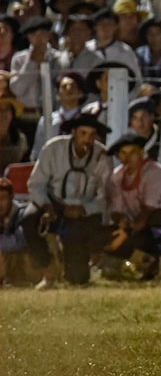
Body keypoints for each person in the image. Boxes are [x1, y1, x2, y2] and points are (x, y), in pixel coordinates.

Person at [23, 114, 113, 287]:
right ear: (74, 132)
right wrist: (47, 206)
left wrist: (84, 209)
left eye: (92, 135)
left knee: (77, 279)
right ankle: (48, 269)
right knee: (29, 219)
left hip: (83, 210)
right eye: (83, 133)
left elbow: (106, 196)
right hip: (53, 202)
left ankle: (75, 269)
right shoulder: (53, 148)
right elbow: (36, 184)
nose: (87, 139)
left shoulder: (102, 156)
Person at [103, 133, 161, 280]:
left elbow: (149, 210)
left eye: (133, 152)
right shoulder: (117, 176)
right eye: (123, 153)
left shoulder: (155, 173)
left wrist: (130, 230)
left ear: (141, 153)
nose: (128, 157)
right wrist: (121, 222)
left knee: (159, 218)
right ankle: (110, 269)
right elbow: (117, 210)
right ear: (118, 156)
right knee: (116, 230)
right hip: (144, 227)